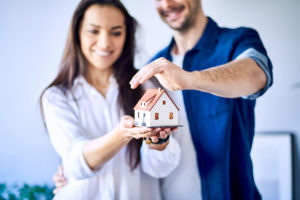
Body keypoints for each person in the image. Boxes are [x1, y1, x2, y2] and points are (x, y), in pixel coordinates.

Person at [130, 0, 273, 199]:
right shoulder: (152, 69)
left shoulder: (238, 41)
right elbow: (152, 160)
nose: (167, 4)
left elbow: (257, 75)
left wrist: (190, 79)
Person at [40, 0, 182, 199]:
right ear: (77, 33)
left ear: (127, 36)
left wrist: (159, 142)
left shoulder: (146, 87)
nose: (105, 42)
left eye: (116, 32)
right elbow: (75, 164)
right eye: (94, 31)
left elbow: (159, 169)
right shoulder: (57, 96)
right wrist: (122, 134)